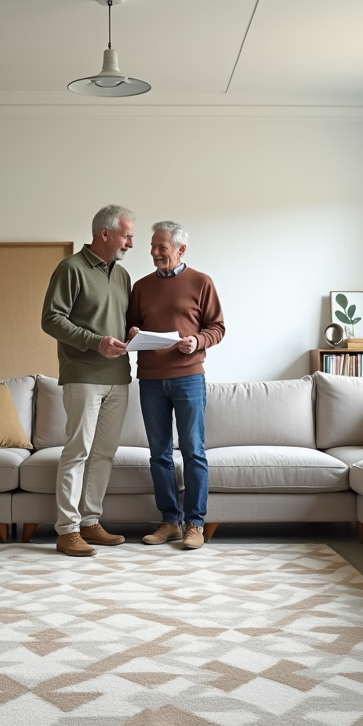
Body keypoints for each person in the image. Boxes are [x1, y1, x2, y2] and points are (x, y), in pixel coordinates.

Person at [40, 205, 136, 557]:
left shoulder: (122, 275)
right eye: (127, 235)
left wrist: (132, 332)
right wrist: (95, 342)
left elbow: (118, 320)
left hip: (119, 377)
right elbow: (51, 319)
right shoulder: (71, 269)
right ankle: (67, 530)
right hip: (83, 376)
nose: (130, 243)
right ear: (105, 234)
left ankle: (90, 522)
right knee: (78, 451)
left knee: (104, 453)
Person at [126, 221, 225, 550]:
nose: (154, 253)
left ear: (180, 250)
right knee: (159, 455)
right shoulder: (140, 287)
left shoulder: (201, 282)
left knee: (194, 452)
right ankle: (170, 520)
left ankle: (194, 524)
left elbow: (218, 327)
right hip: (150, 379)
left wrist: (197, 341)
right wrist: (132, 335)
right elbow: (130, 326)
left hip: (189, 377)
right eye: (153, 247)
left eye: (161, 248)